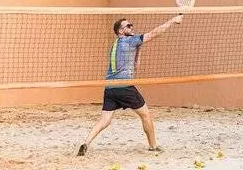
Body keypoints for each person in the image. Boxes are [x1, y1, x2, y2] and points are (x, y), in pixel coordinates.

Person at [77, 14, 183, 156]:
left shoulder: (115, 45)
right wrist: (172, 21)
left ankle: (86, 143)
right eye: (128, 26)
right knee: (146, 116)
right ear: (120, 31)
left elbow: (135, 66)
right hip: (125, 87)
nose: (131, 27)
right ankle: (153, 147)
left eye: (131, 25)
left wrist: (139, 48)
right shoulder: (130, 41)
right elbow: (154, 33)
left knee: (105, 120)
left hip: (109, 88)